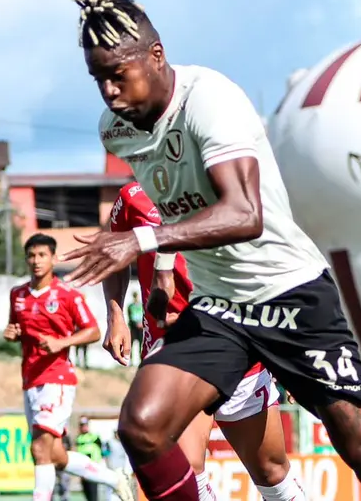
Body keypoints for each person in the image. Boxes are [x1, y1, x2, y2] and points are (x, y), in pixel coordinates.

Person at [59, 0, 361, 501]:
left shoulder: (210, 100)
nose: (109, 92)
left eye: (118, 75)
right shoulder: (115, 129)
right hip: (220, 309)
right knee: (141, 426)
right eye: (98, 79)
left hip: (291, 295)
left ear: (157, 56)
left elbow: (244, 214)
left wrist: (143, 243)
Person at [106, 182, 303, 500]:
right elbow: (112, 251)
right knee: (188, 470)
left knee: (271, 471)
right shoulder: (132, 197)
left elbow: (270, 276)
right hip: (176, 353)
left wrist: (288, 356)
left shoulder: (231, 191)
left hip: (238, 344)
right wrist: (115, 314)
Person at [4, 233, 134, 501]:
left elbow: (93, 331)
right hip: (30, 379)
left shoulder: (67, 295)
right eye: (31, 255)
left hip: (58, 379)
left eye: (42, 255)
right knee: (54, 455)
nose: (36, 261)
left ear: (53, 258)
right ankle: (113, 478)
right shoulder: (17, 295)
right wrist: (13, 333)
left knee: (40, 450)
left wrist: (61, 342)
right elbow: (17, 329)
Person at [75, 417, 108, 501]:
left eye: (85, 425)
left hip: (92, 467)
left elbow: (102, 450)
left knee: (93, 492)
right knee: (87, 493)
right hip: (82, 469)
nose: (84, 427)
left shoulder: (95, 437)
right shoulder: (79, 438)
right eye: (82, 425)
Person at [125, 292, 143, 366]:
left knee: (141, 345)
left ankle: (141, 360)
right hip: (133, 328)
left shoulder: (141, 305)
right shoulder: (130, 306)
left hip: (141, 328)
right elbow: (130, 316)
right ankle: (131, 361)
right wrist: (136, 323)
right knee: (131, 344)